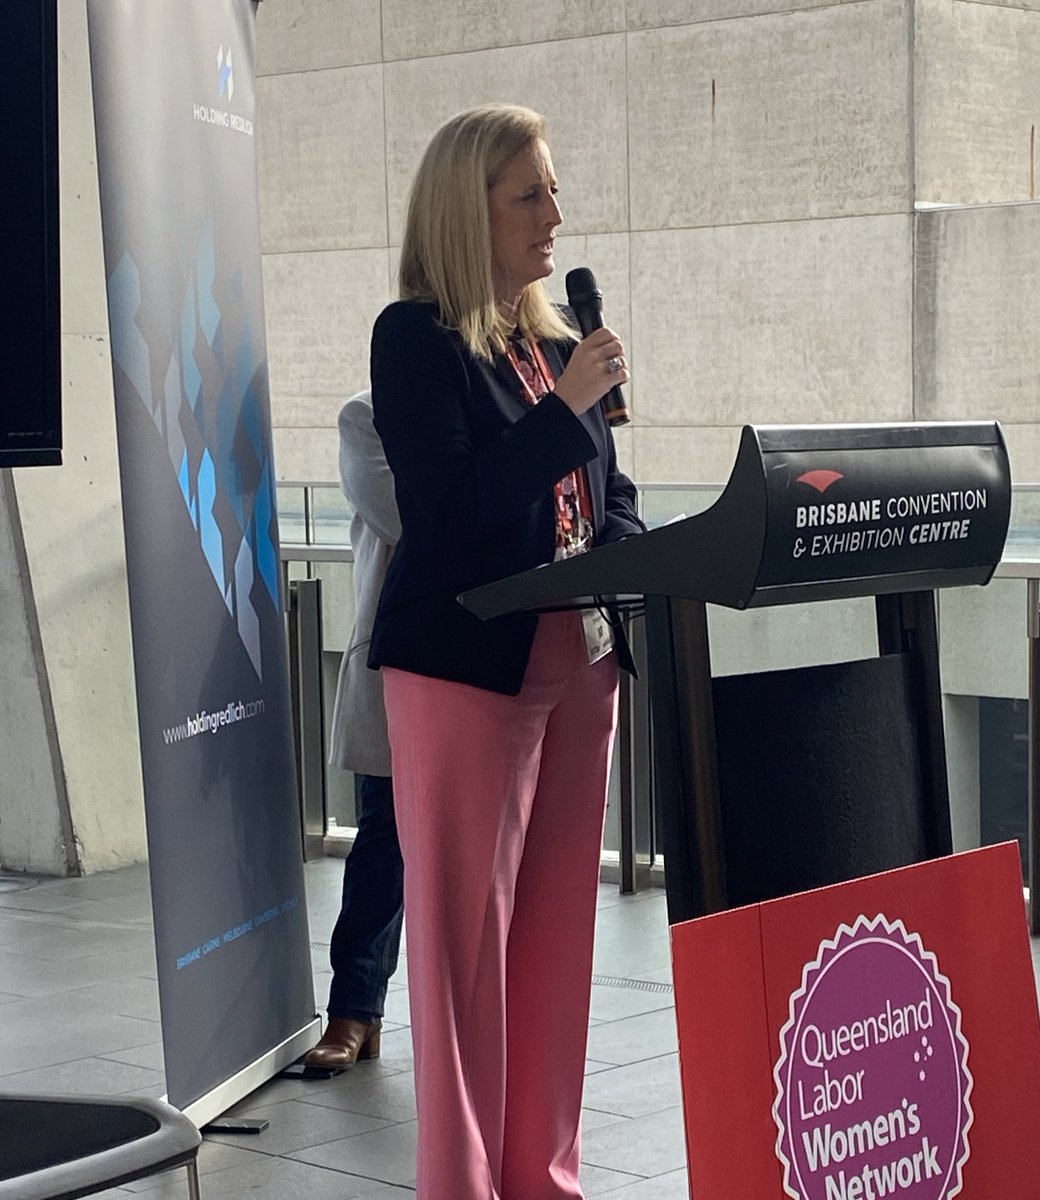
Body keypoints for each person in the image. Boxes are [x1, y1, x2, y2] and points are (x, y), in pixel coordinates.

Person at [367, 103, 644, 1199]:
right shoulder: (417, 341)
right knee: (465, 970)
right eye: (529, 194)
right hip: (465, 676)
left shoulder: (557, 348)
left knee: (555, 952)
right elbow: (452, 513)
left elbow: (612, 499)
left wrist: (614, 568)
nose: (555, 216)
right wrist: (564, 415)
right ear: (465, 209)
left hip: (578, 669)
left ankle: (545, 1179)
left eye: (554, 191)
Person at [305, 390, 405, 1072]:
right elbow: (406, 516)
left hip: (496, 659)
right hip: (398, 659)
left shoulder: (505, 399)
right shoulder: (370, 415)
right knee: (383, 844)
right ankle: (354, 1011)